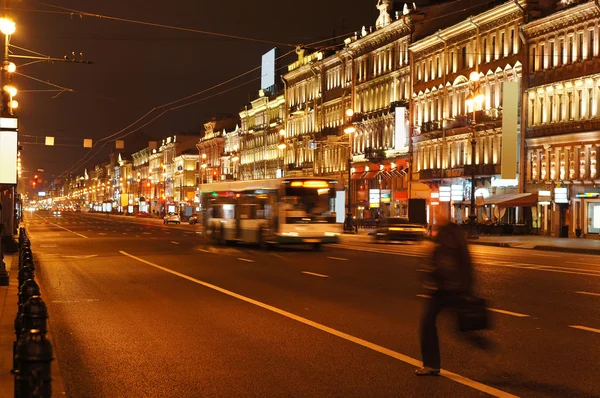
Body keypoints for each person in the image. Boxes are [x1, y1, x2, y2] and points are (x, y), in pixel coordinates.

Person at [416, 210, 474, 376]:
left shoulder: (449, 237)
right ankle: (431, 363)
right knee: (458, 326)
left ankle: (431, 364)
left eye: (438, 216)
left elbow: (449, 263)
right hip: (448, 288)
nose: (436, 219)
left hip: (447, 289)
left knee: (429, 324)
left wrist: (433, 277)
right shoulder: (448, 235)